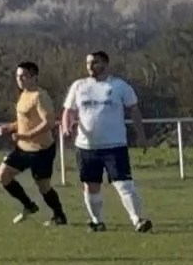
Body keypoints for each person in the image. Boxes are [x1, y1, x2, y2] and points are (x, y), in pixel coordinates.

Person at [61, 48, 152, 233]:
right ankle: (97, 221)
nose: (90, 66)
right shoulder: (79, 86)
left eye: (94, 62)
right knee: (91, 185)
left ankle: (137, 220)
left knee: (124, 184)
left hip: (114, 145)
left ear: (105, 64)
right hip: (86, 146)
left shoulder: (119, 86)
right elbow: (68, 111)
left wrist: (141, 135)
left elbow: (134, 110)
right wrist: (66, 127)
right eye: (88, 63)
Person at [0, 60, 65, 225]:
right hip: (23, 148)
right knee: (3, 176)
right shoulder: (23, 95)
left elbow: (48, 122)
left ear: (34, 77)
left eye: (24, 76)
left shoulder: (40, 96)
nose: (20, 79)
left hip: (41, 149)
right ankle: (29, 205)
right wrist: (10, 127)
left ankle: (59, 216)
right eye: (18, 76)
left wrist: (26, 136)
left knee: (43, 186)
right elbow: (24, 120)